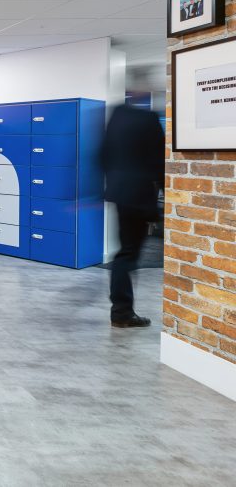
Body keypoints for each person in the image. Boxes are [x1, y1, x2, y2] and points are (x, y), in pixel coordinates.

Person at [100, 78, 165, 328]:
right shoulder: (149, 119)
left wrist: (112, 184)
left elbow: (103, 154)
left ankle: (121, 309)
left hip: (120, 193)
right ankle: (122, 312)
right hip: (139, 195)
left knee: (124, 252)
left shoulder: (117, 115)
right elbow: (159, 162)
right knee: (128, 255)